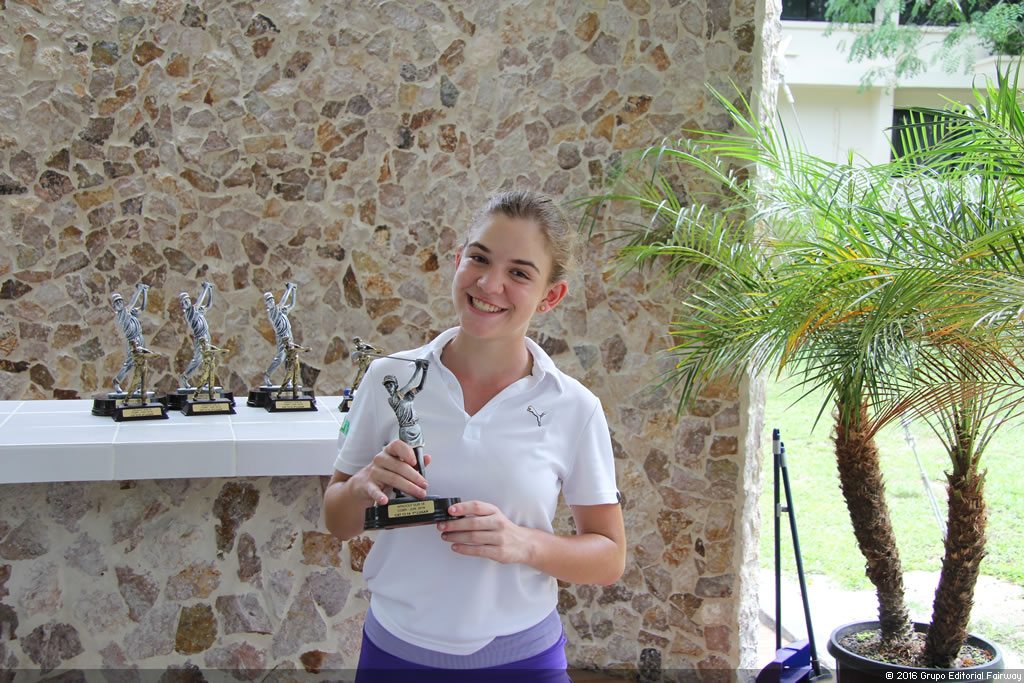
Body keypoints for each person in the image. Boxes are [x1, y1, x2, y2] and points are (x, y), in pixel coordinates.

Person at [323, 190, 625, 681]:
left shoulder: (575, 408)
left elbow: (609, 557)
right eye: (479, 259)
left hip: (523, 665)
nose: (489, 283)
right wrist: (361, 487)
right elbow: (336, 520)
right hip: (394, 658)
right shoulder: (387, 379)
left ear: (550, 296)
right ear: (457, 259)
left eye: (519, 273)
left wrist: (523, 543)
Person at [179, 282, 214, 388]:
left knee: (208, 358)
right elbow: (199, 302)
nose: (186, 302)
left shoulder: (197, 311)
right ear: (183, 306)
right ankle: (185, 376)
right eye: (184, 302)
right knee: (197, 360)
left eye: (187, 300)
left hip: (206, 335)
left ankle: (206, 380)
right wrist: (205, 288)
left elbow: (208, 305)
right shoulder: (190, 313)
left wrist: (210, 290)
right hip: (200, 338)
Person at [263, 283, 297, 386]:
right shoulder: (272, 312)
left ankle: (288, 380)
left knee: (290, 358)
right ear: (266, 304)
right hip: (282, 338)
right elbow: (282, 302)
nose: (271, 301)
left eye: (272, 299)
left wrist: (294, 290)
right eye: (268, 301)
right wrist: (289, 289)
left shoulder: (281, 310)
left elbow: (292, 304)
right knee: (280, 358)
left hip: (289, 336)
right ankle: (267, 375)